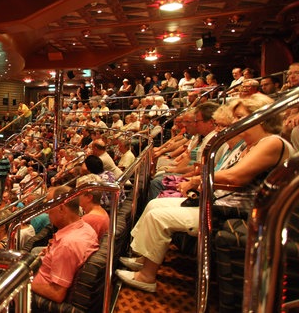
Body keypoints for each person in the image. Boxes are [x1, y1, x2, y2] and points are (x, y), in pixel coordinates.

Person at [117, 95, 293, 293]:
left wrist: (198, 179)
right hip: (220, 202)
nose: (234, 122)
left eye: (240, 117)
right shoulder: (250, 144)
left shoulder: (271, 142)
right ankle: (143, 258)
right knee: (154, 205)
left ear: (260, 117)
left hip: (237, 211)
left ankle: (146, 276)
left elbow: (236, 177)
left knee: (159, 216)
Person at [31, 186, 99, 304]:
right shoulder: (86, 228)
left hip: (35, 297)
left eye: (49, 206)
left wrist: (25, 283)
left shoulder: (67, 244)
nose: (47, 211)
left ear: (62, 209)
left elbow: (56, 293)